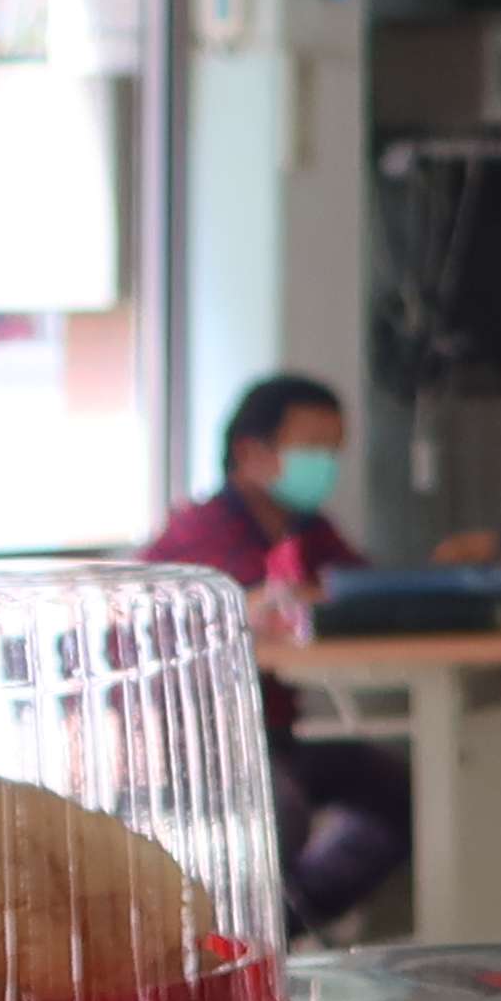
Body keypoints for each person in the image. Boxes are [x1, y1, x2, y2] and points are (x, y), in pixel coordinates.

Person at [143, 374, 413, 933]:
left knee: (403, 793)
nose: (326, 466)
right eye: (311, 449)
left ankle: (277, 929)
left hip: (275, 735)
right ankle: (238, 940)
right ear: (250, 452)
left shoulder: (302, 528)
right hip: (195, 748)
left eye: (333, 451)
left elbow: (359, 588)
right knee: (274, 813)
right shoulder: (200, 535)